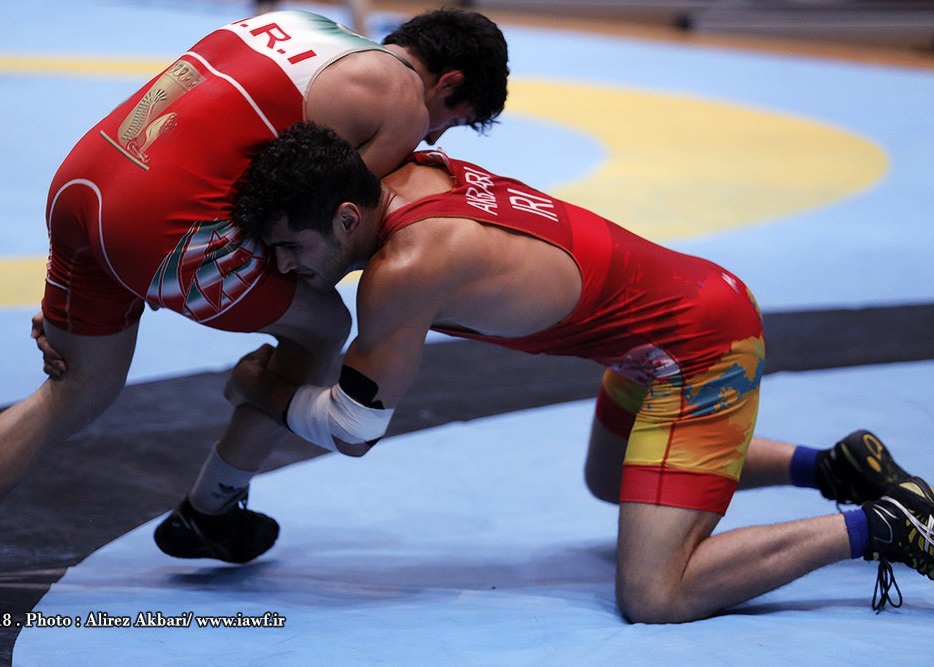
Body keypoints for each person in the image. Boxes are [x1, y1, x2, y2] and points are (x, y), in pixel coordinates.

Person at [221, 121, 934, 622]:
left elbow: (353, 430)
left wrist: (263, 388)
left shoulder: (406, 270)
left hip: (699, 346)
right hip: (662, 320)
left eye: (291, 247)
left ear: (348, 219)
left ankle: (883, 524)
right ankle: (836, 465)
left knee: (656, 594)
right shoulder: (406, 168)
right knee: (609, 477)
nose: (282, 266)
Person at [0, 9, 508, 594]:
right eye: (453, 121)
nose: (433, 138)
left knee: (75, 388)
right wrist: (148, 265)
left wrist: (118, 269)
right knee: (323, 326)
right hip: (157, 227)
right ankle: (211, 509)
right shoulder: (404, 103)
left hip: (84, 182)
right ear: (449, 81)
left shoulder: (298, 22)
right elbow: (320, 232)